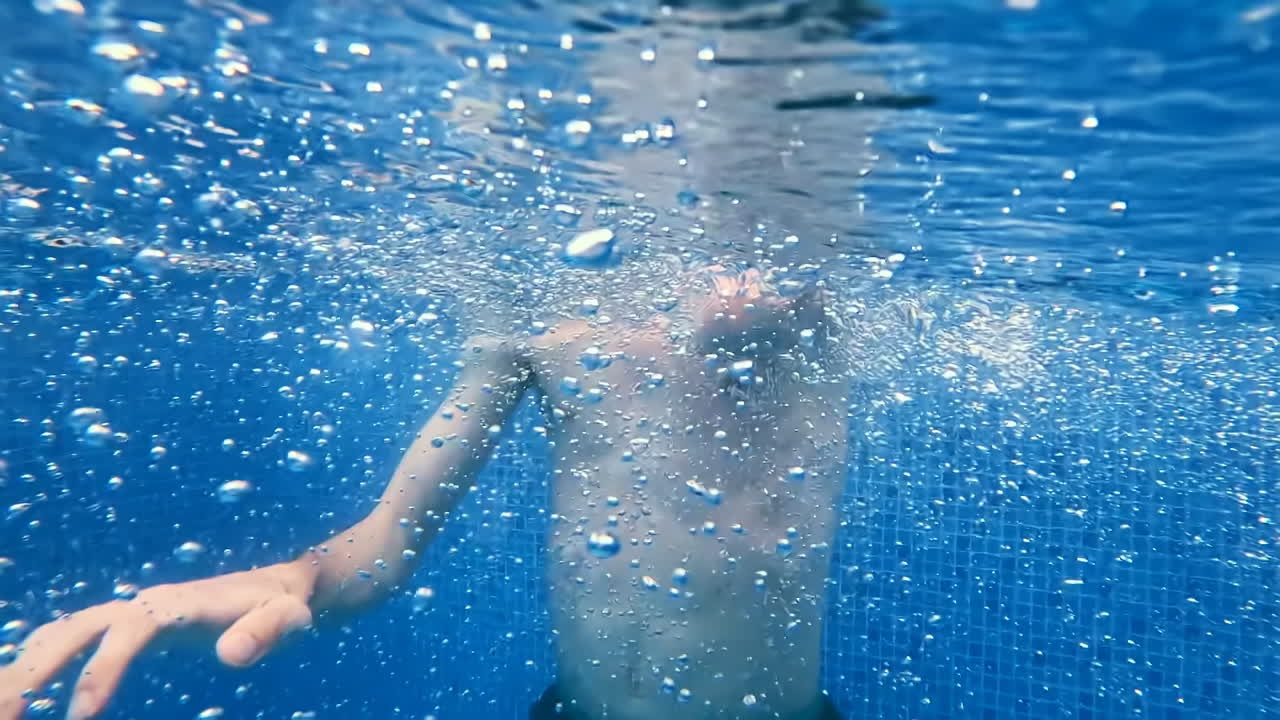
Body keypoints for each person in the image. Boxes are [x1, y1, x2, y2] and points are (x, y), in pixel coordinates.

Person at [0, 263, 852, 720]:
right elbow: (385, 545)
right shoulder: (551, 326)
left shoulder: (811, 313)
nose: (729, 270)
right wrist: (298, 580)